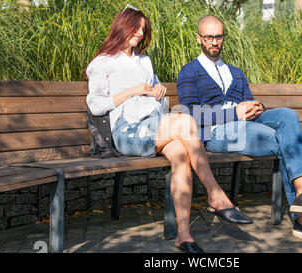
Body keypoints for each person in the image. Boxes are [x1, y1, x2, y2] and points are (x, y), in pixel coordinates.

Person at [85, 7, 252, 253]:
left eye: (144, 29)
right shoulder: (102, 62)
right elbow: (96, 105)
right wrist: (132, 90)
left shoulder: (144, 61)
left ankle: (183, 236)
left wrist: (158, 93)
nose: (141, 33)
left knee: (182, 156)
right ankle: (215, 195)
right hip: (127, 131)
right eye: (137, 27)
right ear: (122, 26)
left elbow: (157, 103)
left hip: (154, 124)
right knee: (186, 121)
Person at [176, 15, 302, 246]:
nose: (215, 41)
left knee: (287, 115)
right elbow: (191, 116)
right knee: (282, 140)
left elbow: (249, 103)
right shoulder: (189, 72)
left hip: (247, 125)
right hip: (218, 133)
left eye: (219, 36)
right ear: (199, 38)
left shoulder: (235, 72)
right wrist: (234, 114)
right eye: (209, 37)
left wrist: (259, 107)